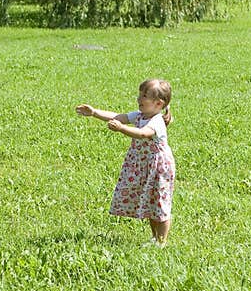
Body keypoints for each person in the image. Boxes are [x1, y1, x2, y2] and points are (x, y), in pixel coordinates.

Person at [75, 79, 176, 246]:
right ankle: (154, 238)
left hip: (158, 168)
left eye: (144, 96)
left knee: (160, 203)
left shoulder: (156, 121)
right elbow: (117, 116)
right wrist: (94, 112)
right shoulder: (139, 115)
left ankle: (161, 242)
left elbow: (143, 134)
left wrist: (122, 128)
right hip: (145, 165)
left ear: (158, 103)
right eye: (140, 94)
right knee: (151, 204)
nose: (139, 99)